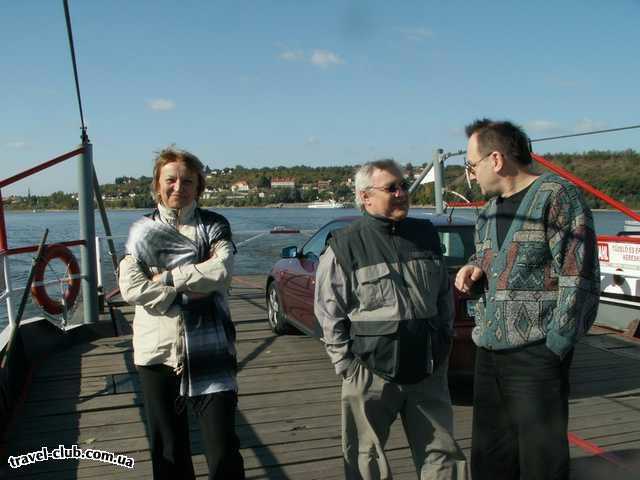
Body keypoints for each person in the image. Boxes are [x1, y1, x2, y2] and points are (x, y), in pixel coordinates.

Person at [455, 119, 600, 480]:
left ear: (496, 160)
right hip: (488, 352)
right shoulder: (488, 211)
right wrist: (473, 270)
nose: (470, 175)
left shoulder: (557, 197)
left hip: (537, 355)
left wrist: (555, 346)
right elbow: (490, 260)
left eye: (471, 165)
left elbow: (579, 277)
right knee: (491, 459)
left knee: (541, 462)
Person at [315, 159, 468, 480]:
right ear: (365, 197)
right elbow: (329, 312)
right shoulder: (345, 245)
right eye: (391, 188)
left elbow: (442, 296)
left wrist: (442, 345)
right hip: (369, 373)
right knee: (365, 458)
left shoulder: (425, 236)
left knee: (442, 455)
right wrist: (346, 366)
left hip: (427, 368)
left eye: (403, 186)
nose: (401, 193)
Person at [119, 147, 244, 480]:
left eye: (187, 181)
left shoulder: (215, 225)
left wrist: (168, 276)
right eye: (170, 180)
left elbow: (222, 271)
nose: (178, 187)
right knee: (168, 451)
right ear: (157, 185)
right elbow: (132, 288)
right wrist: (190, 284)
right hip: (157, 352)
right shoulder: (141, 232)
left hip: (211, 350)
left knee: (223, 450)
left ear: (198, 186)